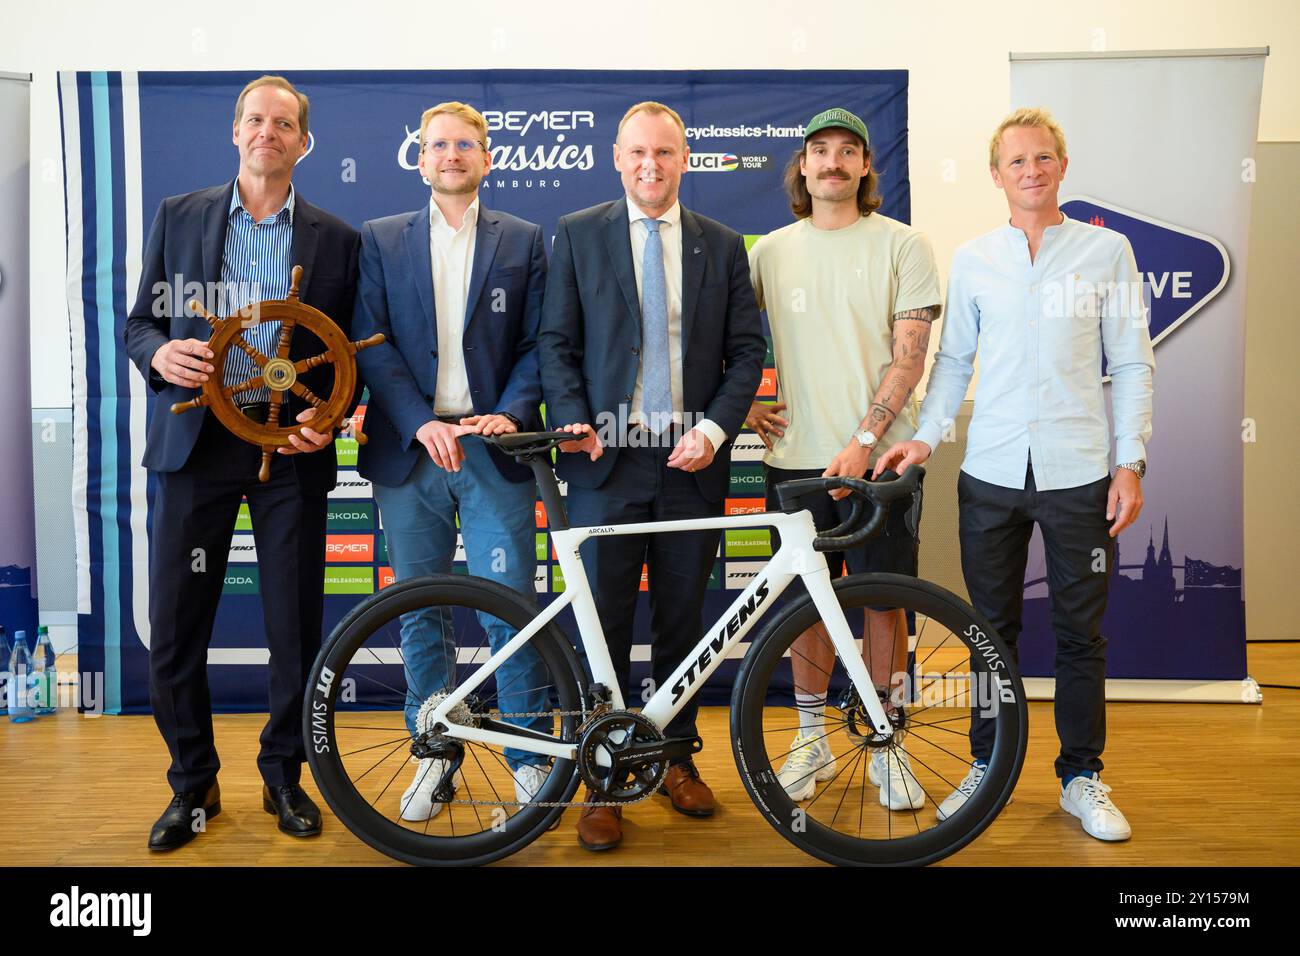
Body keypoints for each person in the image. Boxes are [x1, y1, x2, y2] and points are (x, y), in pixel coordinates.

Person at [874, 107, 1154, 841]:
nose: (1031, 171)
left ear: (1062, 166)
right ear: (995, 175)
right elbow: (954, 362)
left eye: (1043, 159)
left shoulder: (1107, 252)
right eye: (1016, 162)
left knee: (1079, 634)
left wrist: (1130, 463)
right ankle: (986, 764)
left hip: (1081, 475)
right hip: (991, 473)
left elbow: (1130, 362)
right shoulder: (974, 259)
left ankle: (1081, 777)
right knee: (987, 630)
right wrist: (927, 438)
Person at [123, 75, 360, 850]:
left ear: (302, 141)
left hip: (288, 452)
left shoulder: (335, 238)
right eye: (256, 119)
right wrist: (164, 354)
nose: (269, 132)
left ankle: (282, 776)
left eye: (284, 123)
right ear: (235, 132)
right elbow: (139, 327)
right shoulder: (179, 217)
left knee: (293, 630)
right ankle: (192, 787)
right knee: (178, 628)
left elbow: (342, 360)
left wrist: (330, 421)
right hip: (197, 449)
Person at [538, 101, 765, 851]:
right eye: (638, 152)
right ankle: (600, 780)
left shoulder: (722, 245)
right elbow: (557, 341)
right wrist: (573, 419)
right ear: (616, 156)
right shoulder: (577, 234)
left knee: (681, 626)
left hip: (690, 462)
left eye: (665, 153)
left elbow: (745, 352)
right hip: (606, 459)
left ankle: (671, 761)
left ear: (685, 158)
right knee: (600, 628)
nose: (650, 165)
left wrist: (712, 430)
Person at [352, 101, 552, 821]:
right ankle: (434, 760)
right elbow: (370, 343)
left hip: (494, 451)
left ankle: (533, 760)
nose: (450, 154)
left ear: (486, 157)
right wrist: (416, 424)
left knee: (513, 615)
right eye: (437, 144)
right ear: (420, 158)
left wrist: (513, 410)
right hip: (412, 455)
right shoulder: (380, 239)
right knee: (421, 613)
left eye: (464, 144)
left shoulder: (525, 240)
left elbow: (539, 343)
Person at [746, 107, 941, 811]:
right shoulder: (768, 252)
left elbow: (909, 357)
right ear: (802, 166)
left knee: (884, 604)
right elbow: (721, 341)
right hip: (796, 459)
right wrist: (737, 408)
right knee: (806, 605)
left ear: (865, 167)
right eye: (819, 150)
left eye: (847, 151)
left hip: (883, 462)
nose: (832, 162)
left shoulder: (903, 244)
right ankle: (810, 739)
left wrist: (864, 440)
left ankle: (884, 740)